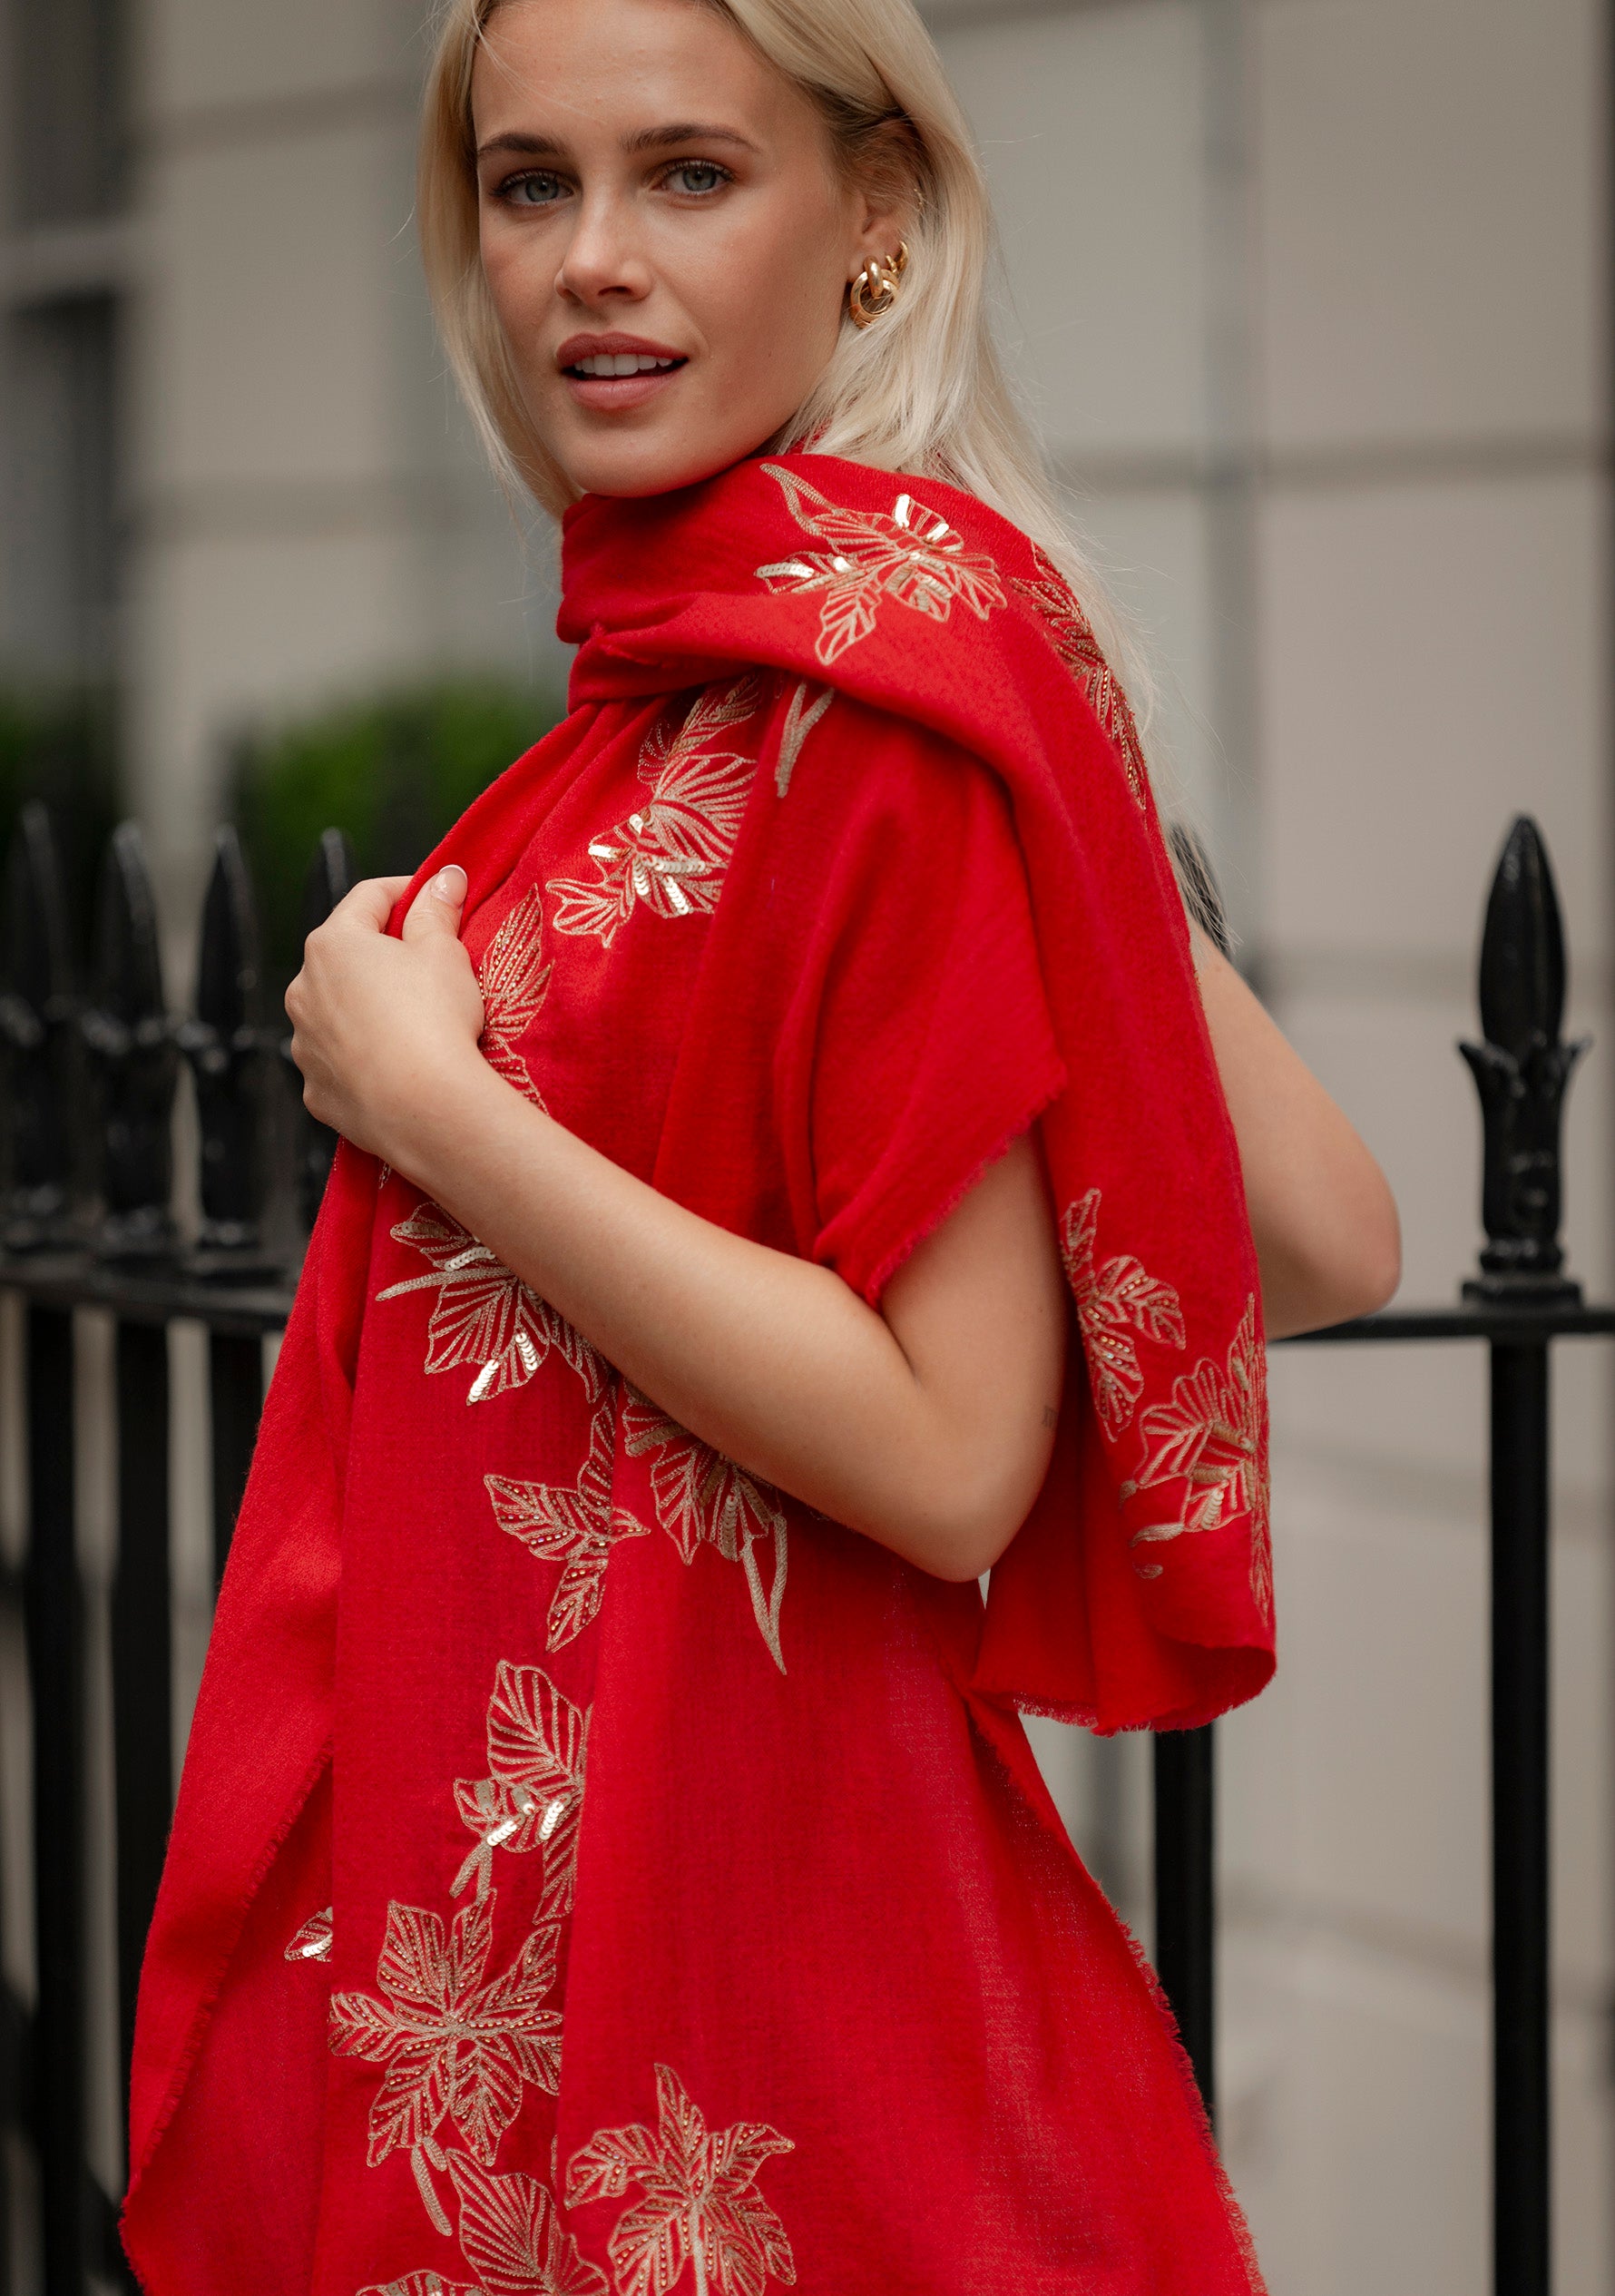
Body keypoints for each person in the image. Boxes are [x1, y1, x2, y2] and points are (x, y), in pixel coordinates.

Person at [122, 2, 1401, 2291]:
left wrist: (434, 1105)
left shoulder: (869, 698)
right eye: (530, 186)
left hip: (746, 1944)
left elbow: (946, 1453)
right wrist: (1042, 760)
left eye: (688, 175)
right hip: (636, 1871)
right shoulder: (834, 662)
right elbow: (1306, 1230)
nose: (591, 261)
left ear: (874, 221)